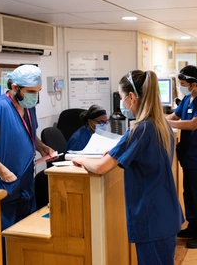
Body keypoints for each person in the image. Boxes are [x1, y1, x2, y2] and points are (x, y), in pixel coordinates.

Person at [72, 70, 184, 265]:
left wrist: (81, 159)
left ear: (131, 97)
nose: (122, 104)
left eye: (122, 98)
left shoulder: (140, 129)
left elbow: (100, 167)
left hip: (151, 218)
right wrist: (116, 151)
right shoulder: (160, 125)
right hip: (165, 213)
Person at [0, 65, 57, 265]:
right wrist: (3, 172)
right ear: (14, 87)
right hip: (4, 189)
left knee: (26, 242)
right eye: (31, 92)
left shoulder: (29, 107)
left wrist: (42, 147)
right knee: (4, 248)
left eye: (38, 92)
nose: (35, 97)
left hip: (25, 187)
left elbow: (29, 132)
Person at [166, 65, 197, 249]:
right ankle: (193, 226)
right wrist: (156, 118)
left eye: (183, 84)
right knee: (189, 193)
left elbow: (194, 124)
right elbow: (174, 116)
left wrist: (165, 122)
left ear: (193, 83)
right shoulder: (187, 99)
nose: (181, 86)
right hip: (187, 155)